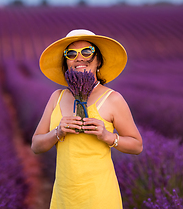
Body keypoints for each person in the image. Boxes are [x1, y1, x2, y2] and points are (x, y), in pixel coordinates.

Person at [31, 29, 143, 209]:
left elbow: (137, 145)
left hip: (100, 197)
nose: (79, 57)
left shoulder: (113, 99)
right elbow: (36, 145)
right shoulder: (57, 97)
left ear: (98, 61)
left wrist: (108, 137)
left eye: (87, 51)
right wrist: (57, 132)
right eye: (71, 53)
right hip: (64, 196)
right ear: (66, 63)